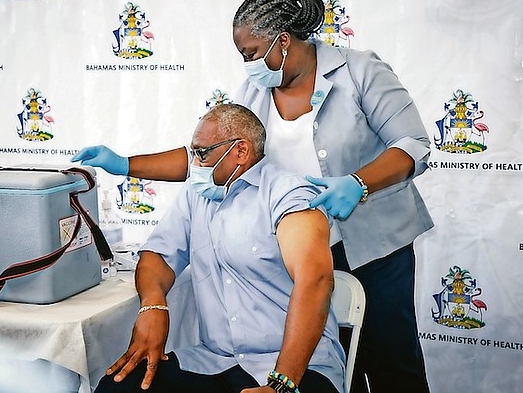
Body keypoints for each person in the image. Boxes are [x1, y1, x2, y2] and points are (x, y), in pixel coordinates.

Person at [73, 0, 434, 393]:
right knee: (302, 344)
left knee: (390, 362)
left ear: (283, 41)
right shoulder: (256, 90)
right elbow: (215, 152)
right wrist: (125, 165)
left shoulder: (360, 71)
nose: (247, 63)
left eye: (251, 52)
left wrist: (358, 183)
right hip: (292, 243)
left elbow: (413, 145)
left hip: (372, 244)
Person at [93, 103, 345, 393]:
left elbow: (315, 279)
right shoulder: (197, 194)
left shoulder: (289, 194)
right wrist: (153, 304)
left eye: (202, 153)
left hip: (296, 368)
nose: (194, 165)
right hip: (215, 361)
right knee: (115, 388)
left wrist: (282, 384)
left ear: (240, 151)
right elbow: (158, 255)